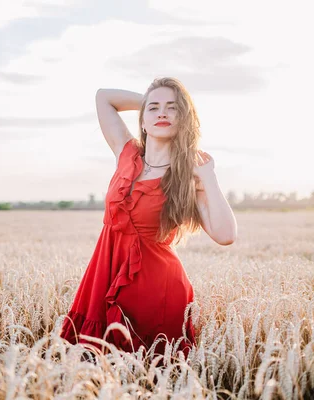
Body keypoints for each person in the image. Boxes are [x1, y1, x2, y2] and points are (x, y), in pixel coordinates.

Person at [59, 77, 238, 361]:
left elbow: (226, 235)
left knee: (152, 375)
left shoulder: (189, 174)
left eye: (172, 108)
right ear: (142, 120)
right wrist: (149, 102)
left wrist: (209, 178)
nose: (162, 113)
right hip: (102, 276)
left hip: (158, 291)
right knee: (91, 369)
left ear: (184, 119)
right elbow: (104, 96)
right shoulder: (126, 152)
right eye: (154, 109)